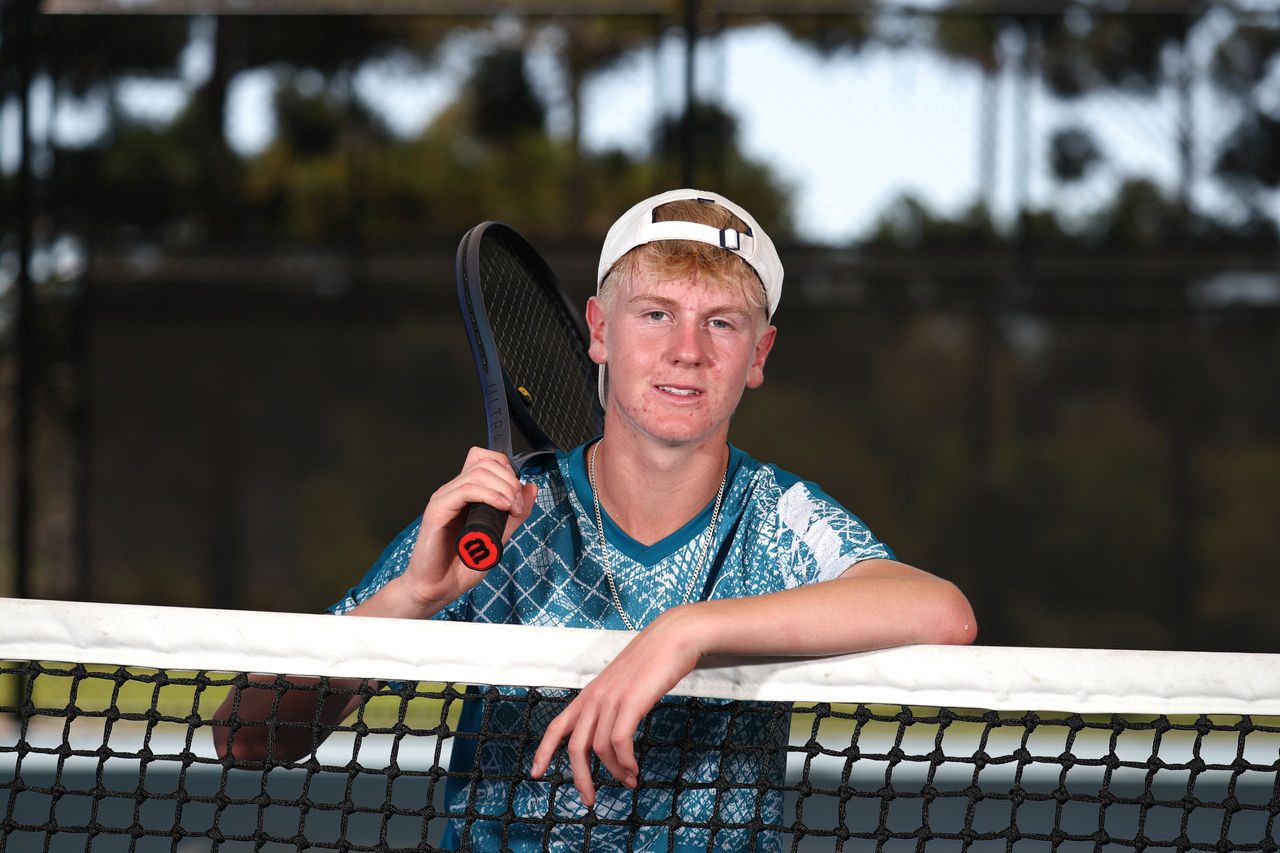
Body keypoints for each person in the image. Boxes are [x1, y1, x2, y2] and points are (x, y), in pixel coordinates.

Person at [213, 188, 977, 852]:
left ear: (759, 354)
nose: (687, 352)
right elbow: (245, 736)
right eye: (655, 314)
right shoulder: (508, 517)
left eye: (722, 323)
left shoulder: (776, 515)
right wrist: (408, 600)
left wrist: (686, 631)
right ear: (599, 331)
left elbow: (941, 611)